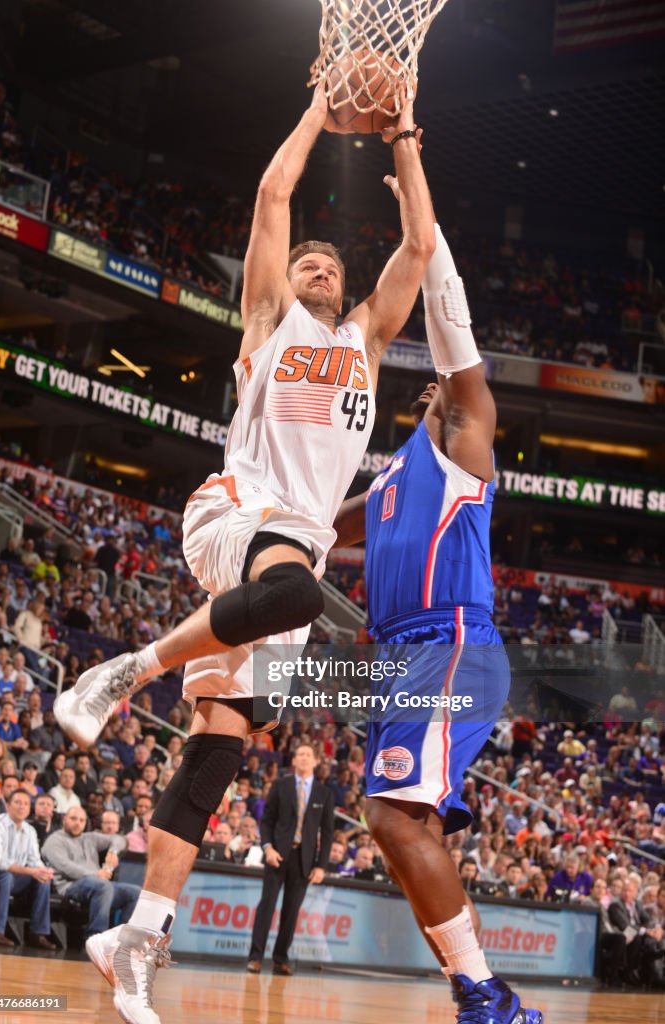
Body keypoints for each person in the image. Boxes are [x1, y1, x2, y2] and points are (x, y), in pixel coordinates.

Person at [56, 84, 435, 1024]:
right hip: (235, 509)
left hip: (290, 550)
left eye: (323, 264)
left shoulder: (367, 340)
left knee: (220, 749)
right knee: (295, 592)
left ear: (341, 287)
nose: (311, 267)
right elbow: (273, 197)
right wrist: (320, 112)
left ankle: (135, 935)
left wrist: (404, 142)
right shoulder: (270, 323)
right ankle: (122, 671)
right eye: (303, 260)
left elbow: (419, 252)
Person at [333, 195, 543, 1023]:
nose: (438, 390)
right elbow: (318, 528)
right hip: (399, 657)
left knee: (389, 816)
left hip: (447, 639)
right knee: (404, 829)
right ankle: (484, 997)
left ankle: (484, 995)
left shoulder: (465, 444)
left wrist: (427, 230)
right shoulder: (387, 479)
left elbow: (455, 338)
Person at [247, 743, 334, 973]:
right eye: (300, 754)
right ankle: (255, 957)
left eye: (308, 754)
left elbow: (327, 834)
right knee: (266, 906)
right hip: (277, 855)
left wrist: (321, 866)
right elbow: (267, 820)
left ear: (315, 761)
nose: (304, 758)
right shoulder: (280, 785)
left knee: (291, 911)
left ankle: (280, 959)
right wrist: (267, 848)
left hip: (304, 860)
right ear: (294, 760)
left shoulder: (324, 794)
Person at [42, 805, 140, 940]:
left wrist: (113, 851)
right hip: (71, 885)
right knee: (104, 886)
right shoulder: (54, 841)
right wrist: (96, 874)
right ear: (64, 819)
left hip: (97, 883)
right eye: (73, 819)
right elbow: (66, 867)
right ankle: (95, 938)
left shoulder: (89, 837)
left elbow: (120, 839)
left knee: (135, 893)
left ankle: (121, 940)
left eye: (82, 820)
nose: (78, 823)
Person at [0, 789, 57, 948]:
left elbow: (35, 860)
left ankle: (37, 933)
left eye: (25, 804)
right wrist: (32, 871)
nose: (22, 807)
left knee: (42, 879)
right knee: (6, 876)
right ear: (8, 806)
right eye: (17, 803)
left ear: (29, 808)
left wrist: (44, 871)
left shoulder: (29, 830)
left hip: (17, 876)